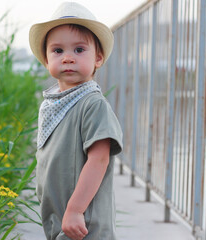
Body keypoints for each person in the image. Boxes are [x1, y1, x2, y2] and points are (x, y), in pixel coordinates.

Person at [28, 2, 123, 240]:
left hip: (84, 225)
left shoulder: (92, 104)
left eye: (79, 50)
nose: (68, 58)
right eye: (58, 51)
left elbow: (99, 158)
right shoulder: (53, 105)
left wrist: (75, 209)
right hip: (61, 221)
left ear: (98, 58)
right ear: (46, 59)